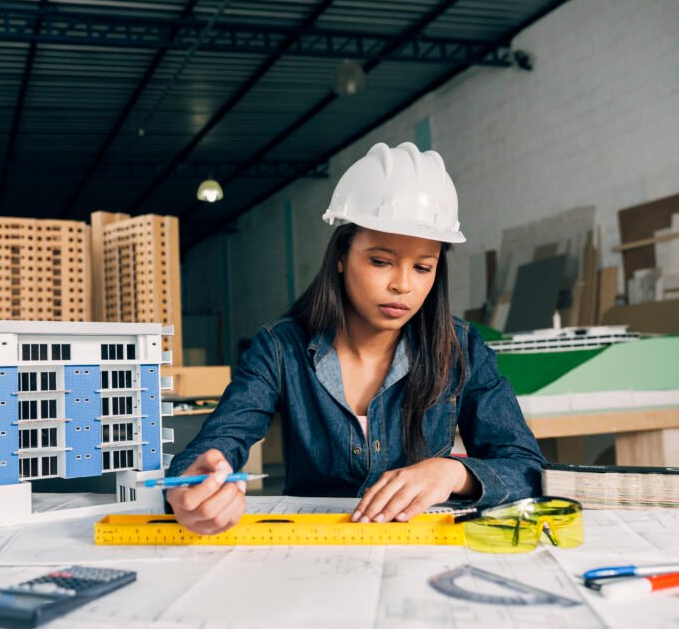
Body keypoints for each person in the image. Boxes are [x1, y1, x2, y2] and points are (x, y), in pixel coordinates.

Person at [166, 142, 545, 535]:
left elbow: (527, 468)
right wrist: (195, 486)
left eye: (422, 267)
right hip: (313, 552)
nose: (402, 285)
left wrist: (449, 474)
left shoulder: (461, 349)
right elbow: (217, 444)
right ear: (342, 255)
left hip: (421, 552)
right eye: (380, 261)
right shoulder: (280, 348)